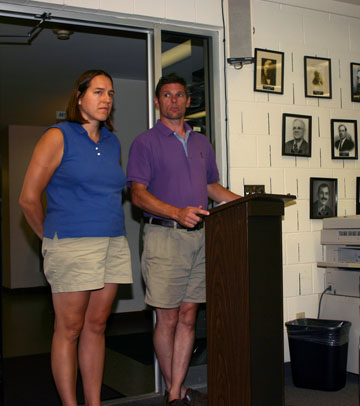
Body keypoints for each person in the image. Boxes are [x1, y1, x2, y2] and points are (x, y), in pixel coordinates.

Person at [19, 69, 132, 406]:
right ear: (79, 97)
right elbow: (28, 198)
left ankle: (93, 403)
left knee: (96, 327)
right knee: (69, 330)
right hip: (71, 243)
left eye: (110, 93)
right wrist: (49, 239)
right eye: (98, 92)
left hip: (113, 240)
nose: (106, 99)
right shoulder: (58, 135)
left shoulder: (113, 142)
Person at [127, 73, 240, 406]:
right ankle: (175, 391)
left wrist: (247, 203)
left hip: (201, 240)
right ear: (157, 101)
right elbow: (137, 194)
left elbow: (212, 188)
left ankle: (176, 390)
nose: (173, 100)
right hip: (164, 237)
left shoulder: (202, 142)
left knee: (190, 316)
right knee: (169, 317)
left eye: (179, 95)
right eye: (167, 95)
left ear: (189, 102)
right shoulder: (145, 142)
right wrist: (176, 212)